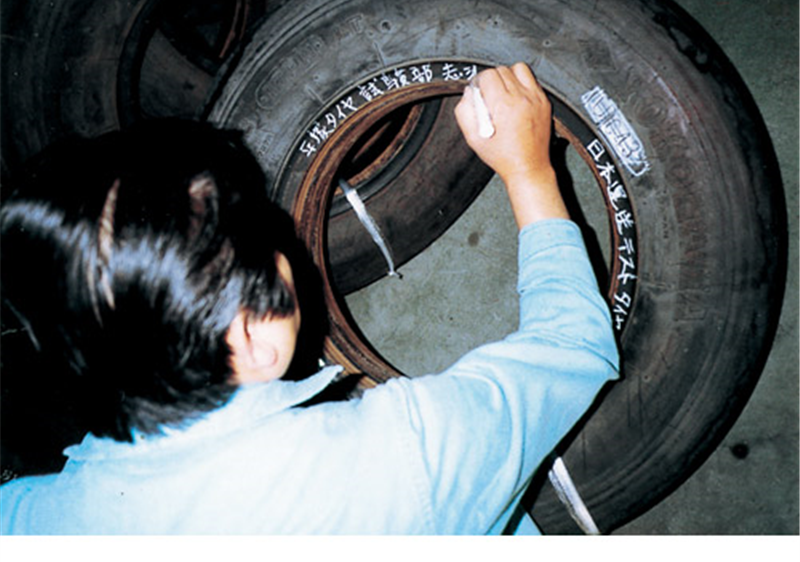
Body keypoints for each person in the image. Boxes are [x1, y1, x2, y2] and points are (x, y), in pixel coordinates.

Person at [0, 63, 619, 534]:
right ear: (251, 340)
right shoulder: (407, 458)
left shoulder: (27, 521)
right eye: (256, 234)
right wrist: (528, 169)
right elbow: (571, 345)